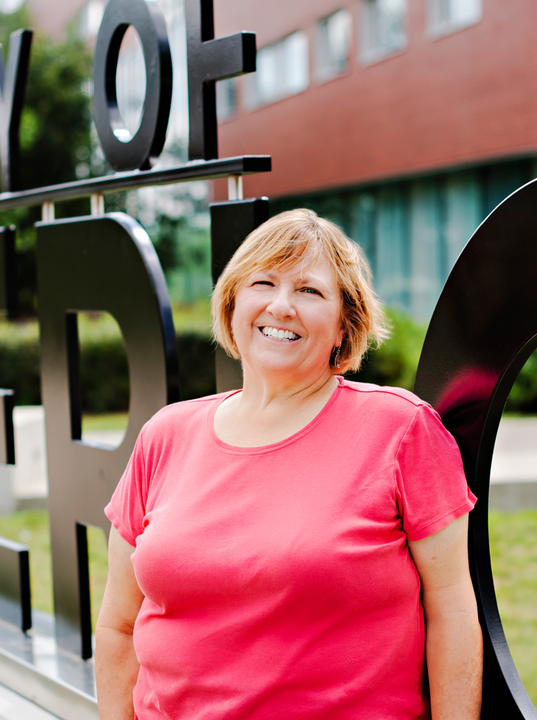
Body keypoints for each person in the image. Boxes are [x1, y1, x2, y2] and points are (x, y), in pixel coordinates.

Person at [96, 209, 483, 719]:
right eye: (264, 283)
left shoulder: (400, 429)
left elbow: (451, 610)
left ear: (345, 326)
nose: (281, 306)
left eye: (309, 291)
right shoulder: (164, 435)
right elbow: (119, 625)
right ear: (234, 304)